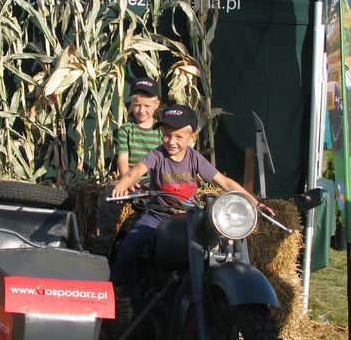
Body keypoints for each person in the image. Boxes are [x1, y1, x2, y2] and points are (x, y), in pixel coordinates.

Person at [109, 104, 273, 290]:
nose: (171, 141)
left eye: (179, 136)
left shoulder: (195, 158)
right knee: (129, 247)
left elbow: (225, 182)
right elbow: (136, 171)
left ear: (192, 137)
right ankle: (116, 289)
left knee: (225, 241)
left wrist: (255, 204)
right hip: (158, 215)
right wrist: (122, 185)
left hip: (190, 216)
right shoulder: (157, 155)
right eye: (166, 135)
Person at [93, 77, 161, 255]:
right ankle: (102, 249)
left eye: (147, 106)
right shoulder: (126, 130)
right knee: (110, 196)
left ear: (156, 105)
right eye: (137, 105)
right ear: (131, 104)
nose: (141, 110)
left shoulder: (162, 131)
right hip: (129, 178)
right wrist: (127, 181)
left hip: (153, 182)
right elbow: (123, 160)